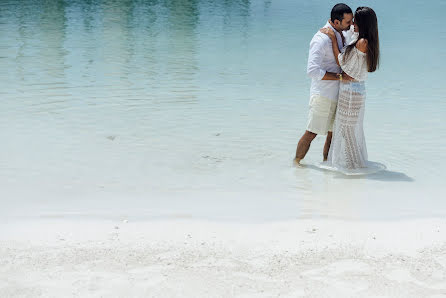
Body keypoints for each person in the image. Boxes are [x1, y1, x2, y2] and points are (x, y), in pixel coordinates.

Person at [319, 6, 385, 174]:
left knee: (347, 130)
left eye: (355, 21)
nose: (352, 24)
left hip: (351, 91)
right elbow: (346, 59)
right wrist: (338, 32)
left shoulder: (362, 42)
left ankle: (352, 165)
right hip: (352, 89)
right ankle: (352, 163)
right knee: (346, 130)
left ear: (362, 23)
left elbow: (343, 63)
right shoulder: (361, 39)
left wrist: (333, 38)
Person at [294, 3, 354, 165]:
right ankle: (296, 165)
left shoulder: (341, 34)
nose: (351, 25)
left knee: (332, 135)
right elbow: (312, 70)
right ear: (336, 22)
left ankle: (327, 168)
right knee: (311, 133)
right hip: (323, 95)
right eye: (348, 22)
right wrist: (340, 78)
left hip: (339, 95)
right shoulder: (320, 39)